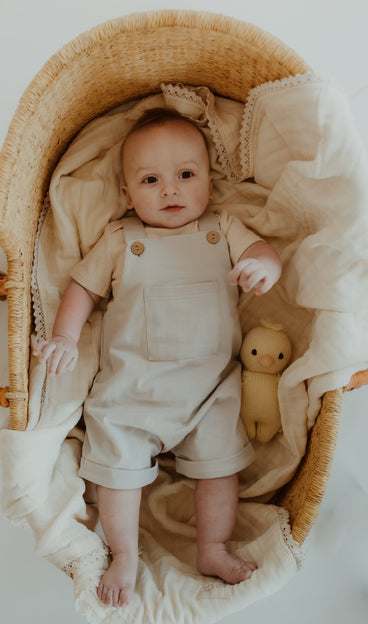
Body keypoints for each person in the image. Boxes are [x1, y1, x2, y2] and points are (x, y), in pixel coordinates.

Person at [34, 109, 282, 608]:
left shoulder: (222, 228)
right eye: (151, 180)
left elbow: (264, 252)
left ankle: (213, 548)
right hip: (131, 394)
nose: (170, 190)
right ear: (128, 194)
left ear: (209, 182)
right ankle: (124, 554)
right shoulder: (120, 239)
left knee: (218, 471)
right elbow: (82, 289)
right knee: (117, 470)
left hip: (209, 390)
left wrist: (262, 268)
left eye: (186, 175)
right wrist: (64, 337)